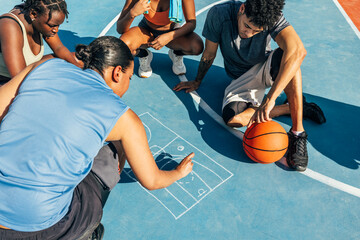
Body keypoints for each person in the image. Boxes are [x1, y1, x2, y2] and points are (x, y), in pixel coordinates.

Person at [0, 36, 194, 239]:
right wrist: (178, 172)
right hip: (35, 223)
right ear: (118, 73)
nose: (128, 83)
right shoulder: (123, 117)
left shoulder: (44, 66)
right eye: (129, 78)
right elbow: (152, 180)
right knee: (112, 151)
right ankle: (85, 232)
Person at [173, 0, 326, 172]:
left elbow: (299, 51)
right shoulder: (219, 14)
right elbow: (209, 53)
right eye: (247, 26)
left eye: (256, 31)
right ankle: (292, 108)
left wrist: (270, 99)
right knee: (232, 120)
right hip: (240, 80)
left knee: (291, 56)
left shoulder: (272, 17)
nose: (249, 33)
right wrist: (197, 80)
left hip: (265, 67)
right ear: (242, 8)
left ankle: (298, 134)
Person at [0, 0, 83, 84]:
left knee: (77, 58)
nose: (56, 30)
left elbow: (59, 48)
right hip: (7, 82)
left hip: (28, 71)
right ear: (33, 14)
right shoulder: (9, 26)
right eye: (52, 25)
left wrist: (79, 69)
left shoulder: (41, 13)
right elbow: (20, 80)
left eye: (58, 25)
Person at [117, 0, 204, 78]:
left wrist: (169, 36)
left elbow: (191, 23)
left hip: (172, 32)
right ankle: (143, 54)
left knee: (196, 47)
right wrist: (132, 13)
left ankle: (176, 53)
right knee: (124, 45)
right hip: (146, 31)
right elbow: (120, 29)